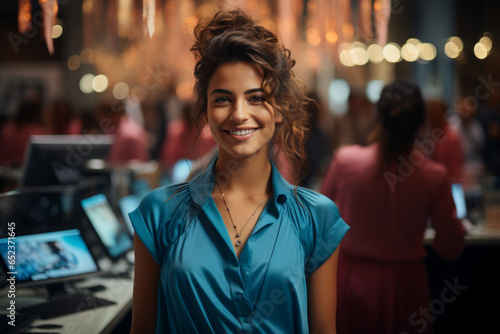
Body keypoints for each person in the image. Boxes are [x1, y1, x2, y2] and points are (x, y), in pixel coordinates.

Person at [129, 10, 349, 334]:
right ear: (205, 109)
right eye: (222, 99)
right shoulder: (159, 213)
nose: (239, 114)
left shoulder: (316, 218)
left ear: (279, 111)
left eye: (256, 98)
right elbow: (142, 329)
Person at [320, 80, 466, 334]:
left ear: (378, 119)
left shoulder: (345, 162)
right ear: (421, 124)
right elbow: (452, 247)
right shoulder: (434, 176)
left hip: (352, 281)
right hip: (405, 285)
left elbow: (319, 224)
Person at [426, 99, 464, 183]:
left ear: (443, 113)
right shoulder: (428, 134)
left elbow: (455, 172)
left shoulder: (451, 138)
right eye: (429, 113)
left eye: (434, 113)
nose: (431, 117)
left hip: (445, 184)